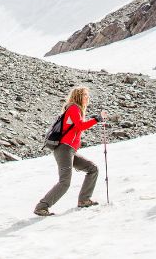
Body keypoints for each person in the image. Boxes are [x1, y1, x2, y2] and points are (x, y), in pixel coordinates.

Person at [34, 86, 107, 216]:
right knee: (65, 182)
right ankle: (41, 206)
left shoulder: (76, 109)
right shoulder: (73, 108)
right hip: (64, 149)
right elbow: (80, 126)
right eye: (85, 95)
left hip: (69, 150)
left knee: (92, 169)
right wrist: (97, 119)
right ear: (78, 96)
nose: (87, 97)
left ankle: (84, 200)